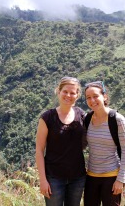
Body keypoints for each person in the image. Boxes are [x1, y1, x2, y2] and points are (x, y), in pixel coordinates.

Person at [35, 76, 87, 206]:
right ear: (58, 91)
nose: (68, 95)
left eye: (72, 92)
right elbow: (39, 150)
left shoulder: (81, 115)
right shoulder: (47, 118)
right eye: (65, 91)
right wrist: (42, 180)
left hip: (77, 177)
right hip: (54, 178)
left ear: (77, 95)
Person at [83, 81, 125, 206]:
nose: (92, 100)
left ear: (104, 96)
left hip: (112, 175)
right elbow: (81, 146)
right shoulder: (87, 119)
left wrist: (121, 180)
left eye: (95, 96)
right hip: (91, 176)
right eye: (88, 97)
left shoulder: (117, 120)